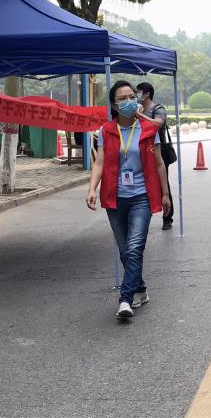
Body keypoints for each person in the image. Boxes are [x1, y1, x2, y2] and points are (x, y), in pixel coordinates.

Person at [86, 80, 171, 319]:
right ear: (114, 105)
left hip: (141, 197)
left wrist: (165, 193)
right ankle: (140, 288)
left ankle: (125, 299)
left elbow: (159, 163)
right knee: (125, 250)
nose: (128, 102)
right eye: (122, 98)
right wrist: (92, 188)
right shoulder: (106, 130)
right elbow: (100, 162)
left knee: (134, 248)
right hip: (115, 198)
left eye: (132, 97)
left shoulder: (148, 129)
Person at [136, 82, 174, 230]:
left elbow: (158, 123)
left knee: (163, 184)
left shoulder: (158, 109)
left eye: (139, 92)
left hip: (159, 151)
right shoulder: (139, 109)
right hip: (143, 151)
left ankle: (167, 217)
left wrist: (140, 116)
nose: (137, 95)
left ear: (147, 94)